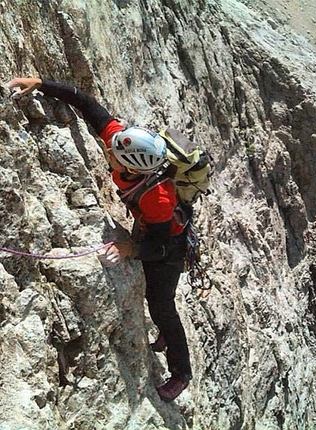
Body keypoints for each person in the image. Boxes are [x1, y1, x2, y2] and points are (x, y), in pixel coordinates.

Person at [6, 77, 192, 402]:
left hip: (169, 243)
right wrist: (40, 84)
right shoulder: (124, 143)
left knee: (161, 304)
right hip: (150, 228)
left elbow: (161, 246)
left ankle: (181, 373)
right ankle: (164, 334)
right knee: (153, 293)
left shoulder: (158, 199)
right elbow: (87, 103)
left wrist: (130, 248)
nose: (109, 146)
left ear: (133, 165)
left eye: (115, 151)